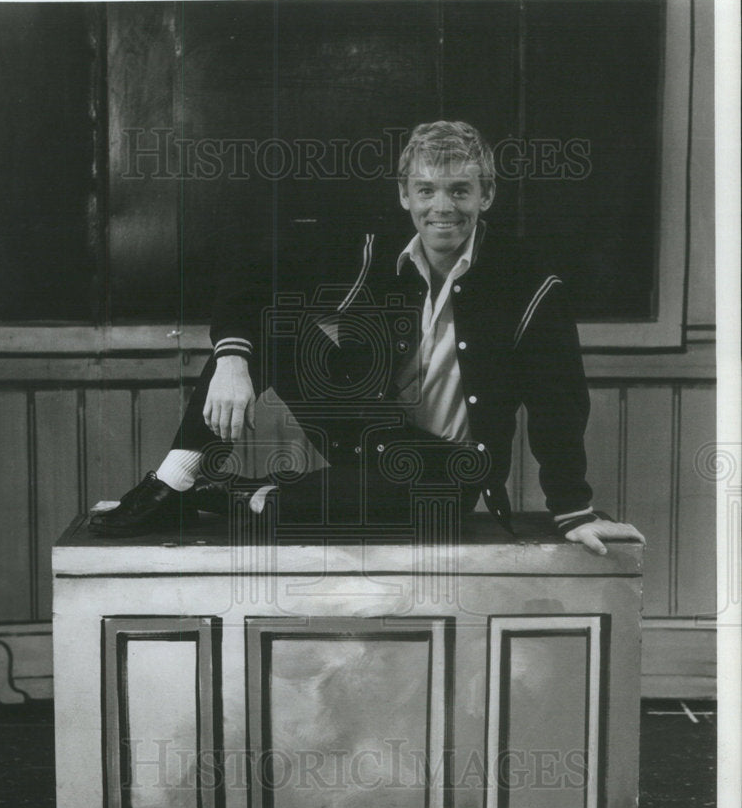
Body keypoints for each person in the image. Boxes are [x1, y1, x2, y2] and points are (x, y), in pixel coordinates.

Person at [90, 120, 644, 554]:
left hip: (446, 474)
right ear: (404, 196)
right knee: (268, 326)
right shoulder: (368, 253)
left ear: (487, 195)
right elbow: (254, 270)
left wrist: (573, 511)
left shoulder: (529, 283)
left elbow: (558, 402)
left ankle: (238, 496)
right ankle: (173, 484)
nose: (442, 207)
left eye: (460, 190)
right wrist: (233, 357)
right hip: (362, 430)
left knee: (299, 512)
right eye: (426, 190)